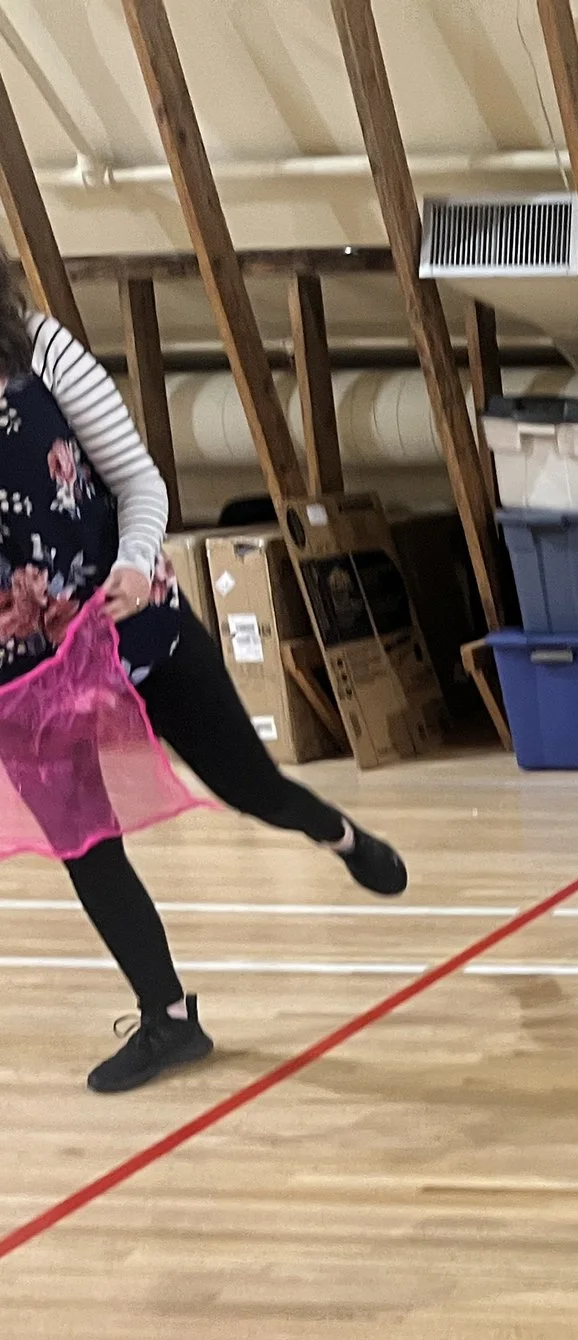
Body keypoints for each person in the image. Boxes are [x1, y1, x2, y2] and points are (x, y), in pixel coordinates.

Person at [0, 258, 406, 1094]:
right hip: (23, 671)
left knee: (248, 783)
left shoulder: (41, 349)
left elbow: (139, 481)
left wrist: (140, 563)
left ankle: (338, 834)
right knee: (86, 844)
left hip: (125, 622)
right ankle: (170, 1019)